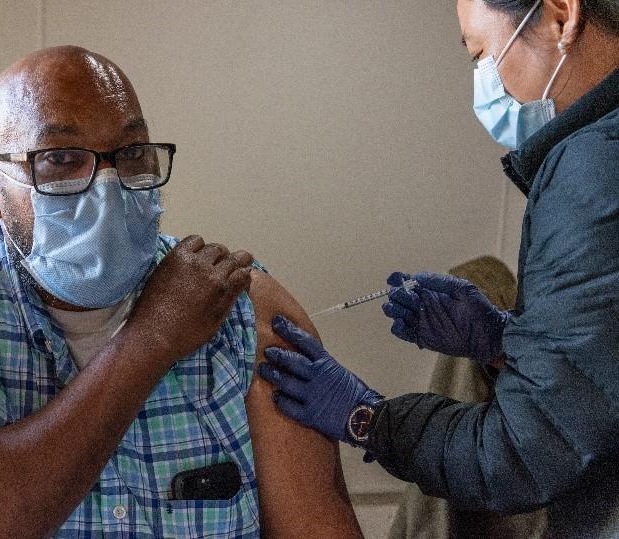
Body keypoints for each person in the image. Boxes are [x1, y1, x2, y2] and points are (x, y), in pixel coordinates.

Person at [0, 46, 362, 538]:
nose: (107, 183)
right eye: (61, 158)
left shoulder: (236, 305)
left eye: (132, 153)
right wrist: (149, 341)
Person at [258, 0, 619, 537]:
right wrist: (504, 342)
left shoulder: (592, 169)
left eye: (480, 54)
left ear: (562, 17)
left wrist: (368, 418)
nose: (483, 85)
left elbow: (521, 458)